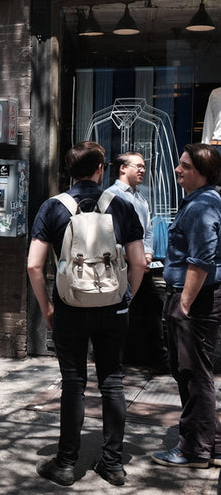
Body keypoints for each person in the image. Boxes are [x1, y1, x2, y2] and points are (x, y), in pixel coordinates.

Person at [27, 142, 146, 487]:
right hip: (112, 308)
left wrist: (47, 308)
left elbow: (34, 265)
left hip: (69, 306)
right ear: (100, 169)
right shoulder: (121, 206)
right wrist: (126, 298)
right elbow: (139, 262)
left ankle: (66, 463)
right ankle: (113, 463)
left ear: (69, 171)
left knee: (73, 383)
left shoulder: (52, 207)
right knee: (112, 381)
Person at [150, 143, 221, 469]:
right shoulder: (201, 202)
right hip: (194, 297)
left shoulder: (202, 206)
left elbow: (201, 260)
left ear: (203, 173)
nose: (178, 170)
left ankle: (194, 450)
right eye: (180, 163)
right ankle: (211, 443)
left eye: (186, 166)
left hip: (193, 299)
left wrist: (184, 304)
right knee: (194, 372)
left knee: (193, 374)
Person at [106, 152, 169, 372]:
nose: (143, 170)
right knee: (119, 313)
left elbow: (148, 230)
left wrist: (147, 254)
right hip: (121, 267)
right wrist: (132, 256)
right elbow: (108, 234)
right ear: (122, 168)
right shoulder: (111, 196)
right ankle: (115, 362)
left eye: (144, 166)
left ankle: (158, 360)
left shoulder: (141, 198)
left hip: (142, 266)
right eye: (138, 166)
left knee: (153, 308)